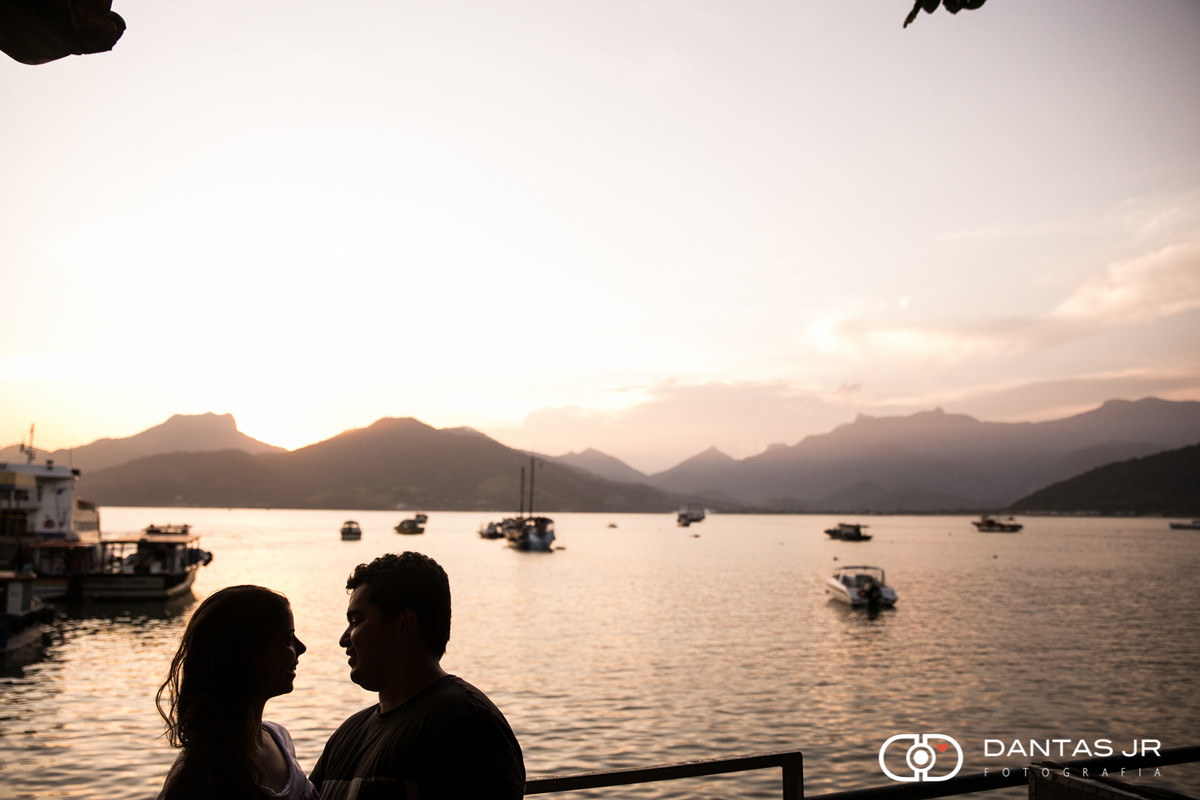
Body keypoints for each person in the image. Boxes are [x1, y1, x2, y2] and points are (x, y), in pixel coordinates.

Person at [310, 551, 525, 799]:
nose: (344, 639)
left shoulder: (465, 724)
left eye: (357, 620)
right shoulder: (347, 735)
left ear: (404, 624)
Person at [156, 585, 316, 800]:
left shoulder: (279, 739)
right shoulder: (198, 776)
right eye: (288, 639)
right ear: (246, 655)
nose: (302, 647)